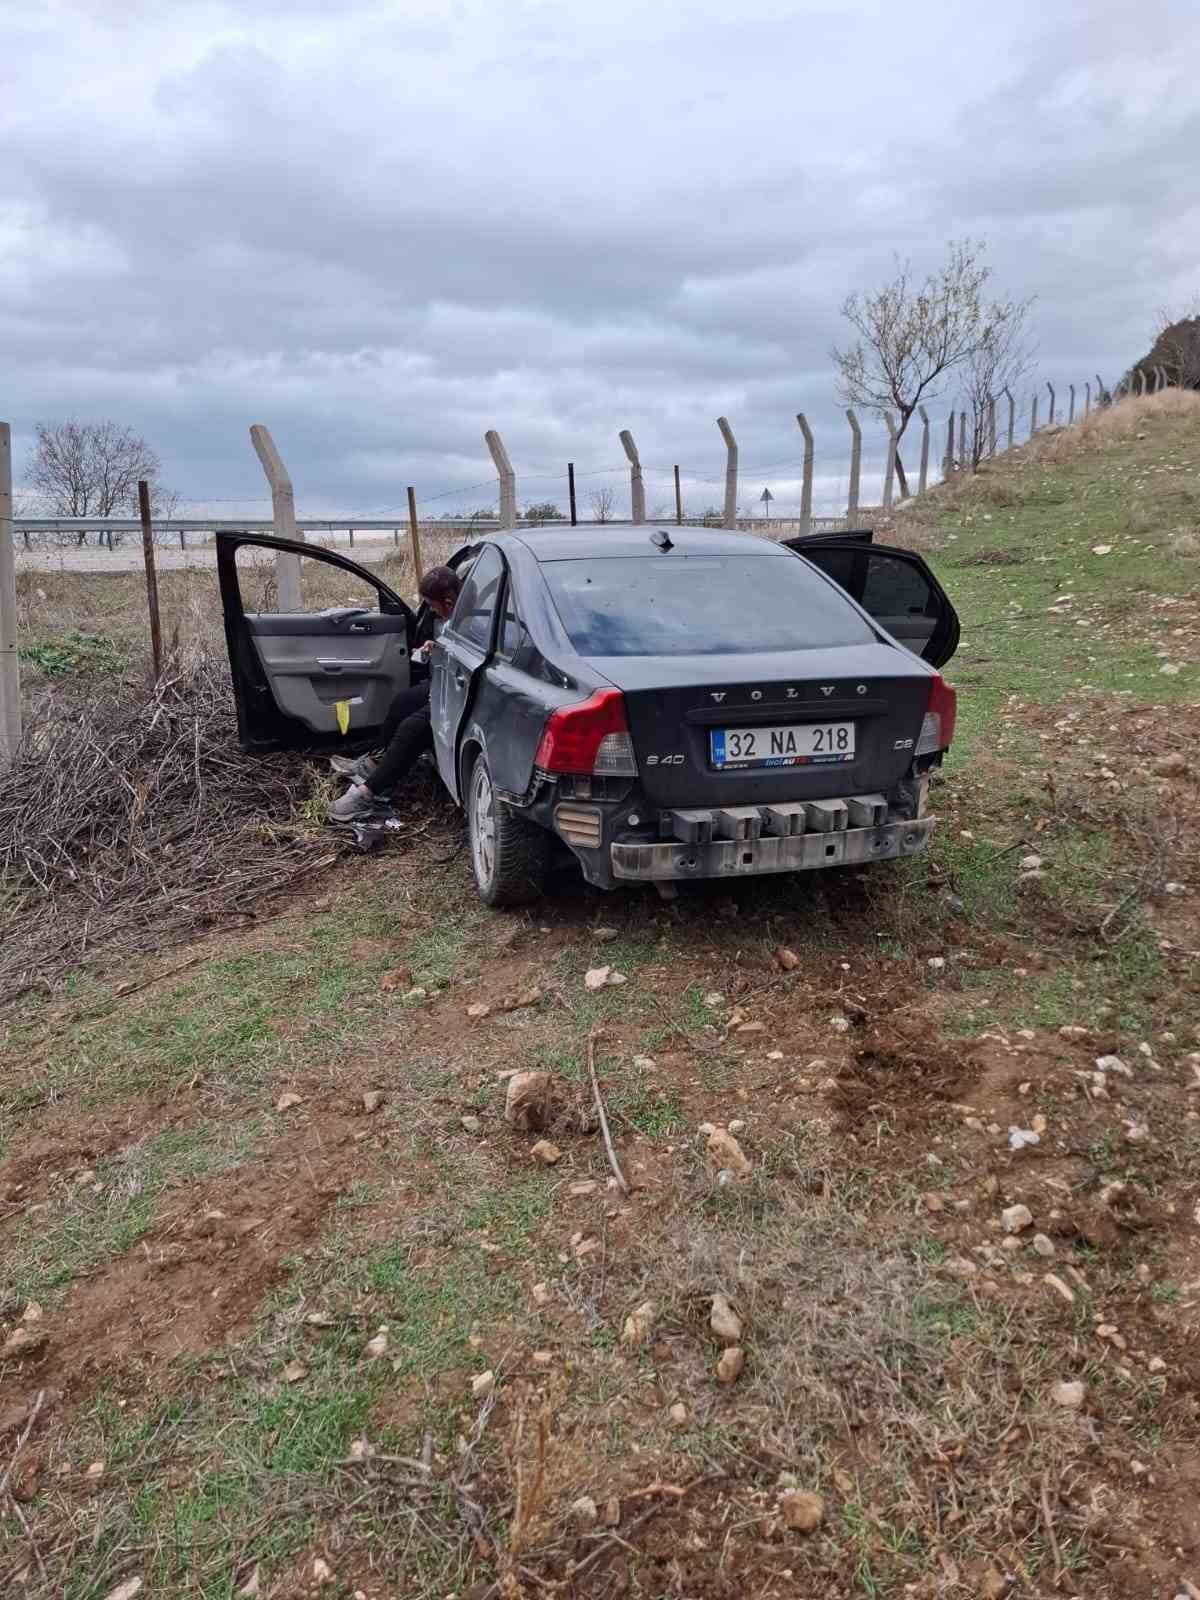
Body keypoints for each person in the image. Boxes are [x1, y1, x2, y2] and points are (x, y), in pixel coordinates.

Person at [329, 565, 461, 822]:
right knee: (402, 702)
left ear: (448, 601)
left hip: (459, 692)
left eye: (432, 606)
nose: (431, 612)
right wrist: (438, 646)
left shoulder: (477, 620)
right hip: (443, 682)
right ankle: (376, 762)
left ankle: (368, 794)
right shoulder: (456, 613)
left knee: (413, 728)